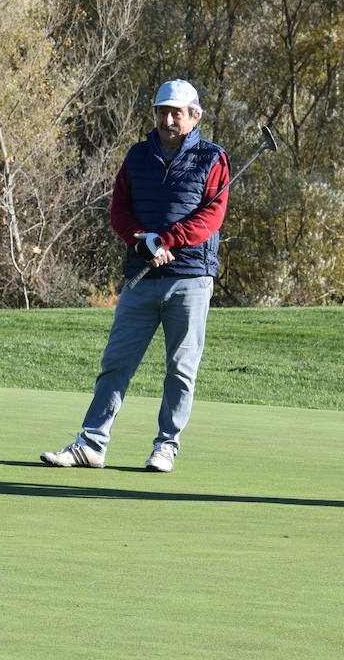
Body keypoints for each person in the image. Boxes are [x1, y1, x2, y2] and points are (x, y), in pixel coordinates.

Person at [41, 79, 229, 473]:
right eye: (163, 110)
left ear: (194, 117)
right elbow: (119, 209)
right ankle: (91, 444)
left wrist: (168, 241)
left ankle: (166, 446)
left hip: (190, 277)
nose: (168, 118)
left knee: (180, 368)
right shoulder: (137, 155)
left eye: (177, 112)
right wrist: (142, 241)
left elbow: (210, 217)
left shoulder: (214, 158)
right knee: (116, 363)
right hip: (142, 275)